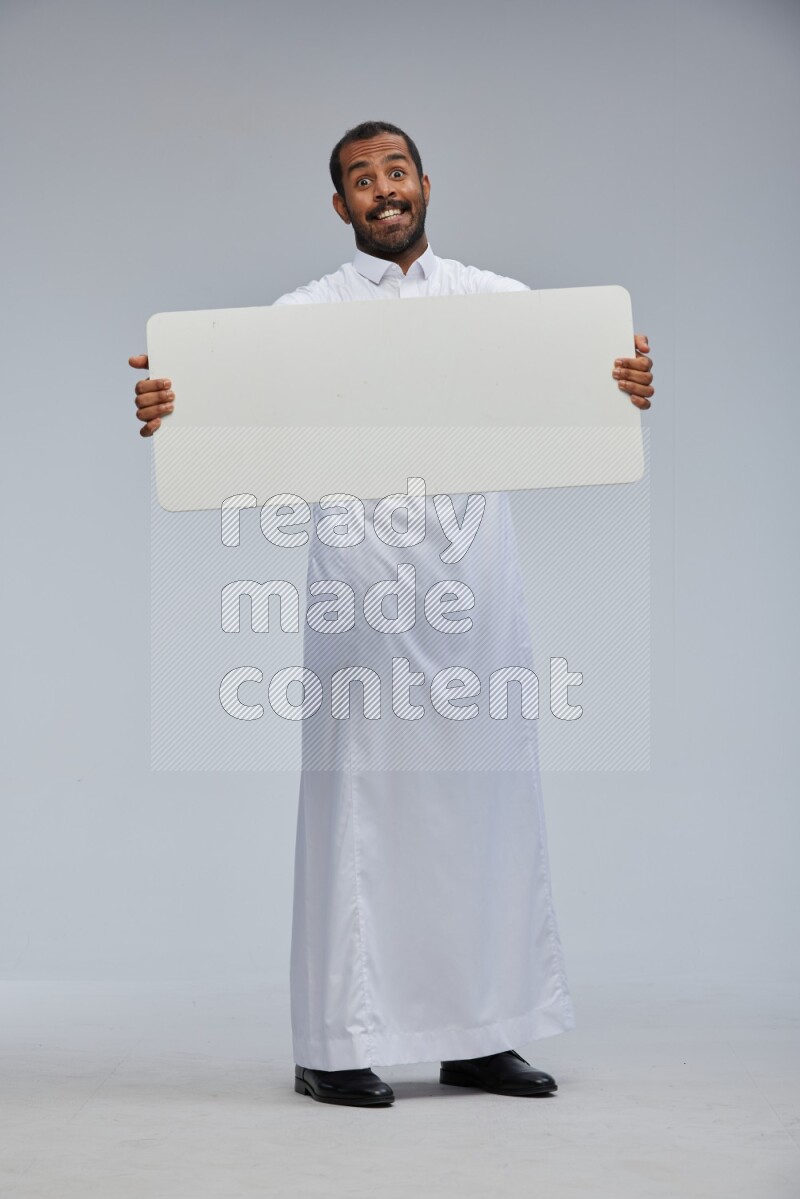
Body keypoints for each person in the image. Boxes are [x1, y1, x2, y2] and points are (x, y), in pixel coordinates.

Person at [130, 121, 654, 1108]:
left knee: (484, 798)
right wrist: (173, 404)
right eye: (360, 179)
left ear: (424, 184)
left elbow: (582, 381)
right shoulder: (303, 314)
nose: (382, 189)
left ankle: (480, 1032)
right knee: (361, 801)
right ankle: (333, 1041)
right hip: (361, 579)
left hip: (475, 576)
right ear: (339, 207)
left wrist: (623, 382)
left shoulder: (495, 304)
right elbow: (222, 405)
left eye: (395, 171)